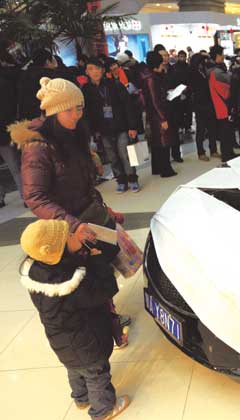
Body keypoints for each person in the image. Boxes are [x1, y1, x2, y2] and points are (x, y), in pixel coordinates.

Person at [9, 76, 132, 336]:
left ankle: (110, 319)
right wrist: (73, 225)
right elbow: (35, 197)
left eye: (79, 108)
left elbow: (84, 184)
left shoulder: (73, 135)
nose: (76, 115)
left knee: (101, 272)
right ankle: (102, 330)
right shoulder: (37, 147)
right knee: (85, 280)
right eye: (69, 109)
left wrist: (104, 209)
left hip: (88, 216)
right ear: (53, 111)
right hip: (68, 227)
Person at [19, 219, 130, 420]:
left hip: (60, 341)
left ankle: (81, 398)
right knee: (96, 372)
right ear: (56, 251)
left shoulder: (39, 272)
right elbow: (105, 291)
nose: (74, 235)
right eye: (69, 236)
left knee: (74, 369)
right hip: (85, 341)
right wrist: (97, 261)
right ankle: (103, 410)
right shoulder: (72, 283)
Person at [82, 57, 140, 193]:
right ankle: (121, 180)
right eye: (91, 69)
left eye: (97, 69)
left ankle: (132, 178)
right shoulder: (86, 90)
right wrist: (91, 132)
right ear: (86, 72)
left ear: (102, 70)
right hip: (103, 129)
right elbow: (87, 113)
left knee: (124, 153)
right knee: (112, 156)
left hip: (121, 126)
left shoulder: (114, 84)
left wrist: (132, 126)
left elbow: (128, 106)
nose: (95, 72)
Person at [140, 51, 178, 178]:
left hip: (154, 113)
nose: (163, 65)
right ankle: (166, 169)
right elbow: (155, 100)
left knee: (157, 142)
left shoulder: (149, 76)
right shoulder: (151, 78)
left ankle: (157, 168)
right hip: (158, 114)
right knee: (163, 140)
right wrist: (162, 118)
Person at [207, 45, 236, 162]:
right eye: (222, 54)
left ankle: (228, 153)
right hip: (222, 105)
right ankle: (227, 155)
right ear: (218, 56)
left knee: (226, 132)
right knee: (225, 132)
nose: (224, 56)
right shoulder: (217, 72)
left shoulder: (211, 70)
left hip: (219, 105)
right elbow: (230, 82)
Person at [0, 62, 22, 208]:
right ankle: (26, 195)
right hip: (5, 130)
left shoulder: (5, 84)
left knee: (14, 164)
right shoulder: (6, 83)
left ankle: (26, 195)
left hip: (4, 130)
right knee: (14, 164)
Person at [189, 53, 218, 161]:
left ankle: (213, 149)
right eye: (201, 61)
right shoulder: (192, 73)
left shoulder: (205, 71)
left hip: (209, 102)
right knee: (201, 129)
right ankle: (201, 152)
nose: (204, 63)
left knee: (212, 128)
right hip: (199, 104)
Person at [18, 48, 59, 120]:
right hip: (44, 119)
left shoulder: (24, 75)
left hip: (27, 118)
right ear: (47, 61)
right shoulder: (50, 76)